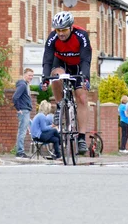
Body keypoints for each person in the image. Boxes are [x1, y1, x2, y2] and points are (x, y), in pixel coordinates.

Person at [42, 11, 92, 155]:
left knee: (82, 97)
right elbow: (47, 59)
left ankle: (81, 138)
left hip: (78, 64)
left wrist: (85, 78)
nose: (61, 33)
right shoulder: (53, 38)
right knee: (56, 76)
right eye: (58, 30)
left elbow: (86, 60)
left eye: (64, 30)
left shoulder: (81, 35)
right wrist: (45, 79)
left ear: (70, 27)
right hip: (61, 62)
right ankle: (60, 106)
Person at [13, 68, 34, 158]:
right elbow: (15, 97)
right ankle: (20, 152)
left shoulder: (25, 84)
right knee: (22, 131)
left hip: (25, 110)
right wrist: (18, 109)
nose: (31, 77)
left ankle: (20, 151)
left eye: (32, 76)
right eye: (29, 75)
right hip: (23, 110)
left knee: (22, 131)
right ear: (24, 75)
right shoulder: (22, 85)